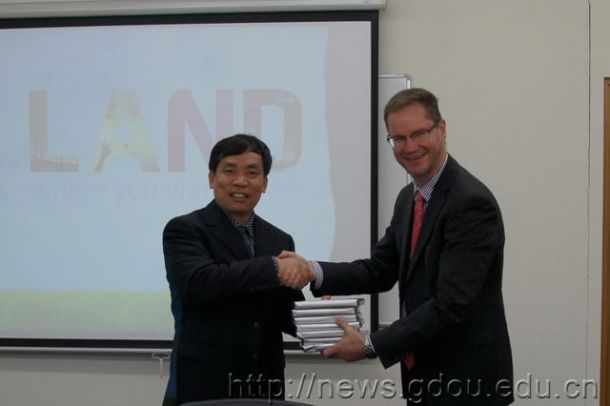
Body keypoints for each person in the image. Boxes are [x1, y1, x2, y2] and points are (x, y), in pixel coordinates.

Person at [284, 88, 513, 405]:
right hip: (423, 376)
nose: (410, 147)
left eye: (419, 134)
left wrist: (370, 344)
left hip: (467, 382)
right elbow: (379, 270)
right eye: (398, 139)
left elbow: (450, 304)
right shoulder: (409, 198)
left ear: (442, 128)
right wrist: (312, 270)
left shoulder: (470, 203)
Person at [162, 133, 312, 405]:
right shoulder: (185, 229)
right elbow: (200, 282)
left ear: (264, 184)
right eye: (229, 171)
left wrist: (326, 323)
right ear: (212, 178)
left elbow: (284, 312)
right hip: (204, 385)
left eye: (252, 173)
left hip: (265, 386)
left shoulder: (279, 239)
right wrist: (274, 266)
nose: (240, 181)